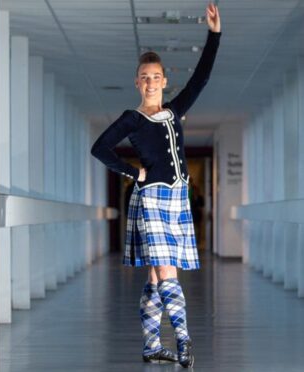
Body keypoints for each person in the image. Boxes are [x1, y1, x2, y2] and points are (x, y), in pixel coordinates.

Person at [90, 3, 221, 368]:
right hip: (151, 199)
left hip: (177, 197)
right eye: (144, 77)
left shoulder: (175, 111)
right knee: (166, 271)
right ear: (137, 82)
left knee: (156, 274)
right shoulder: (131, 119)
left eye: (155, 76)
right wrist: (134, 173)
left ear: (164, 80)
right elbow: (99, 148)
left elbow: (202, 78)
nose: (150, 82)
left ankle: (151, 346)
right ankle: (184, 341)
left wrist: (214, 35)